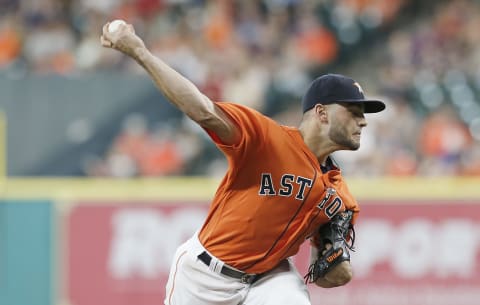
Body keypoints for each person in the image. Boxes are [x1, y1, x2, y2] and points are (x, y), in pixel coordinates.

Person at [100, 20, 385, 305]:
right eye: (352, 110)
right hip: (204, 275)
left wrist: (334, 262)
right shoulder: (266, 139)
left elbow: (325, 274)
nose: (362, 120)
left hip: (270, 278)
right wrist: (140, 52)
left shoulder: (341, 197)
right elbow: (202, 109)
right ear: (321, 113)